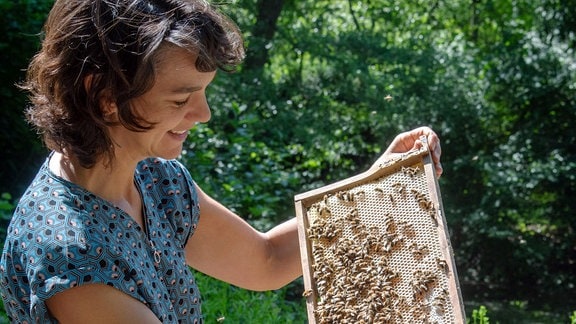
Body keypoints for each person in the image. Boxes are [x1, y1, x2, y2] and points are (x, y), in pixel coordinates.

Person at [0, 0, 443, 323]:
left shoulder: (156, 178)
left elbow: (265, 260)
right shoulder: (71, 254)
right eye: (182, 98)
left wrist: (381, 189)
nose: (203, 114)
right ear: (106, 97)